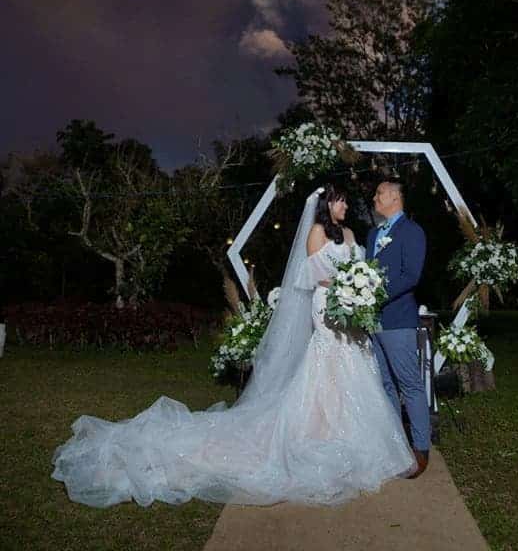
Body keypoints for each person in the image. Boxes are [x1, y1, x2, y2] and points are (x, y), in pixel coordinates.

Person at [52, 186, 416, 508]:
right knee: (327, 364)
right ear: (328, 205)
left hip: (351, 312)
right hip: (327, 305)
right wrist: (345, 286)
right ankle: (316, 429)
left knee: (354, 367)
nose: (346, 207)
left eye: (347, 202)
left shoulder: (352, 233)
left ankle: (348, 433)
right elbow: (310, 275)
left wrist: (359, 288)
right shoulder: (317, 231)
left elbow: (360, 267)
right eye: (341, 201)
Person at [367, 181, 430, 477]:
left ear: (394, 197)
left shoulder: (412, 231)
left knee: (410, 385)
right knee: (386, 386)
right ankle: (395, 447)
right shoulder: (372, 234)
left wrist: (374, 295)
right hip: (373, 323)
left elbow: (411, 275)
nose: (375, 198)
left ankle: (420, 451)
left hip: (398, 321)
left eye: (380, 193)